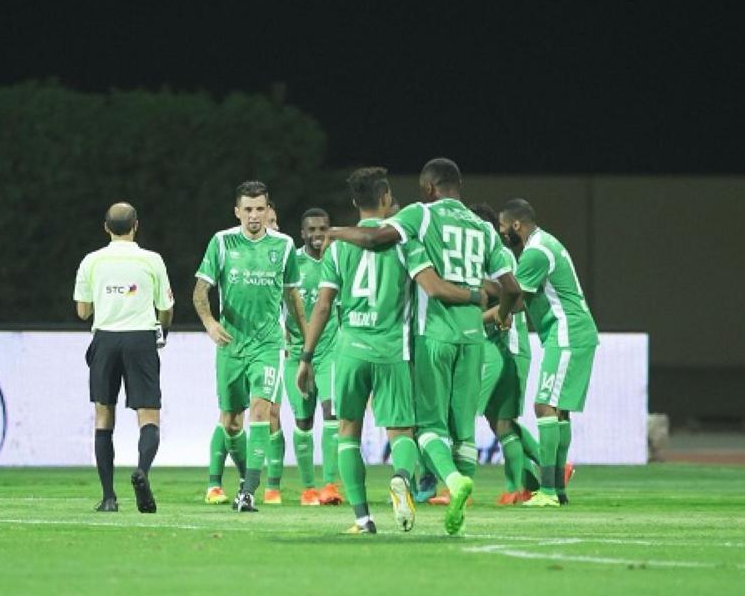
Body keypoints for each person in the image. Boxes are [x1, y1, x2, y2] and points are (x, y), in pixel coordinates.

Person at [327, 158, 520, 535]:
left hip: (432, 334)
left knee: (428, 426)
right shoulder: (483, 227)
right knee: (464, 432)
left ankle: (452, 481)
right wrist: (501, 314)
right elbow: (511, 288)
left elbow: (374, 238)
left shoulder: (422, 215)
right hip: (474, 338)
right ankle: (458, 518)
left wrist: (332, 232)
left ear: (430, 188)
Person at [194, 181, 306, 512]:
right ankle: (246, 476)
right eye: (248, 209)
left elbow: (292, 294)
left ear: (267, 210)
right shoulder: (222, 242)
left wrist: (304, 338)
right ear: (237, 211)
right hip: (231, 344)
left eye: (260, 209)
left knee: (261, 410)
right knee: (230, 422)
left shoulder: (284, 245)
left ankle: (248, 492)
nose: (254, 215)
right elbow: (200, 290)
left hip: (268, 344)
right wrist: (210, 323)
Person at [73, 202, 174, 513]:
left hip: (105, 338)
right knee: (148, 415)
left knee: (104, 416)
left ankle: (108, 497)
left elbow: (83, 311)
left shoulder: (91, 261)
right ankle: (142, 471)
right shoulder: (152, 260)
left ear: (106, 227)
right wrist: (162, 332)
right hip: (140, 337)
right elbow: (166, 307)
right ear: (136, 226)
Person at [500, 198, 598, 507]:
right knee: (560, 412)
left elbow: (516, 300)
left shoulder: (535, 252)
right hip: (575, 333)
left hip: (567, 333)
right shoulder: (546, 242)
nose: (502, 232)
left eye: (503, 226)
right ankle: (558, 490)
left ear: (517, 225)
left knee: (544, 406)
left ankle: (548, 491)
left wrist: (490, 314)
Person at [471, 203, 541, 505]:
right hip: (498, 346)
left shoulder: (500, 256)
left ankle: (545, 470)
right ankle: (527, 484)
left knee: (503, 421)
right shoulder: (483, 257)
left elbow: (508, 300)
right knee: (499, 422)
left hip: (509, 347)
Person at [282, 208, 343, 506]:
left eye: (323, 229)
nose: (318, 235)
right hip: (297, 353)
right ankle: (308, 488)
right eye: (312, 230)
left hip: (330, 351)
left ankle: (330, 486)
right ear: (303, 233)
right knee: (303, 421)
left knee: (332, 413)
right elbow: (276, 300)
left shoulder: (338, 260)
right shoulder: (291, 262)